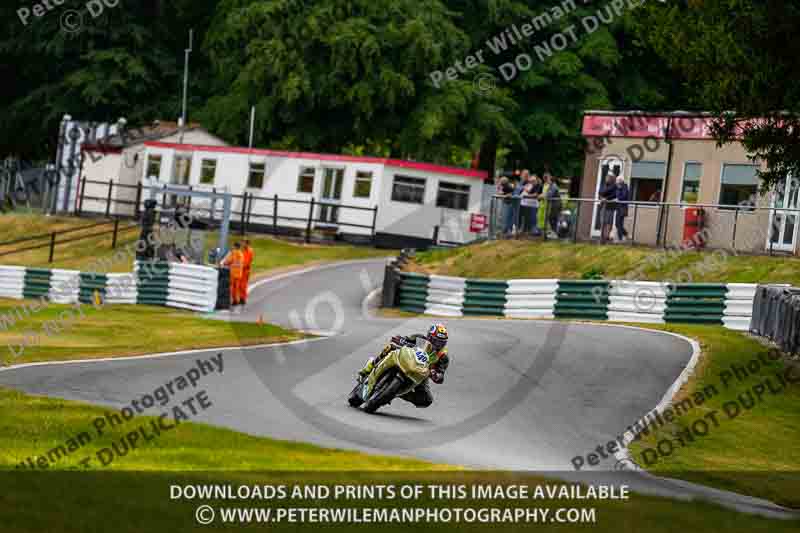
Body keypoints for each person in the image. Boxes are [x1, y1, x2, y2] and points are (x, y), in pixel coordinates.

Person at [357, 324, 450, 408]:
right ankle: (371, 366)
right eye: (435, 341)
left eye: (441, 343)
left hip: (421, 374)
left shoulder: (443, 357)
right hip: (407, 359)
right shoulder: (419, 338)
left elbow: (441, 374)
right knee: (392, 346)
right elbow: (404, 339)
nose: (437, 345)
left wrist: (436, 375)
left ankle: (395, 393)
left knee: (426, 400)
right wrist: (400, 340)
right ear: (429, 337)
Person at [221, 242, 245, 309]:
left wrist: (223, 263)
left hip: (233, 273)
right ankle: (235, 300)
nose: (232, 247)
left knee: (231, 288)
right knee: (236, 288)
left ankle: (230, 301)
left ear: (235, 247)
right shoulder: (241, 254)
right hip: (239, 273)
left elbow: (229, 260)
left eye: (233, 246)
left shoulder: (234, 252)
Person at [599, 174, 617, 242]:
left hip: (610, 206)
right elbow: (600, 192)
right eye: (606, 178)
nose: (606, 179)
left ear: (611, 179)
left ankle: (607, 236)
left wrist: (605, 197)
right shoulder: (603, 185)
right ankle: (602, 236)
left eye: (608, 178)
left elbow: (614, 194)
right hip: (603, 206)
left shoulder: (614, 186)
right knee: (602, 221)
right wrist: (602, 197)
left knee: (609, 222)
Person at [614, 176, 630, 242]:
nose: (616, 182)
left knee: (619, 223)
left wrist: (618, 198)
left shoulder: (624, 187)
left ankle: (620, 238)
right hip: (618, 207)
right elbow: (615, 195)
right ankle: (625, 234)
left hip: (623, 208)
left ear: (621, 180)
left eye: (617, 180)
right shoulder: (618, 187)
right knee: (617, 224)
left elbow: (624, 195)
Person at [241, 239, 254, 305]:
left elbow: (247, 262)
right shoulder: (242, 250)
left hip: (245, 270)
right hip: (241, 270)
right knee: (239, 285)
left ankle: (243, 299)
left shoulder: (249, 251)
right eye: (242, 242)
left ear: (247, 244)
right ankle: (239, 298)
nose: (242, 244)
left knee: (243, 285)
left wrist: (241, 266)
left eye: (243, 243)